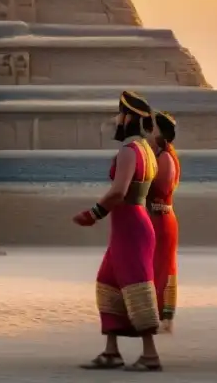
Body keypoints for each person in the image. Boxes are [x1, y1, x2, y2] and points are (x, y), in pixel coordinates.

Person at [73, 90, 162, 371]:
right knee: (108, 284)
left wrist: (93, 213)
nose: (116, 119)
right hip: (135, 224)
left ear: (128, 118)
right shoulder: (147, 150)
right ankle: (111, 351)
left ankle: (150, 355)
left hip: (130, 228)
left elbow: (118, 192)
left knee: (137, 286)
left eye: (119, 114)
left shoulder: (128, 151)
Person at [147, 111, 181, 332]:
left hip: (160, 219)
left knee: (163, 268)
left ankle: (164, 318)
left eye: (151, 128)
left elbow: (160, 189)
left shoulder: (165, 158)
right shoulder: (159, 155)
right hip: (155, 219)